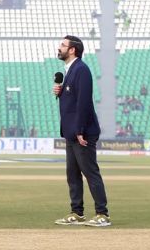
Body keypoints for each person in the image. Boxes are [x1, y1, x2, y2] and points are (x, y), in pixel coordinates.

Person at [53, 35, 110, 227]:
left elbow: (84, 102)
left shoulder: (81, 70)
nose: (59, 47)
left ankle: (102, 214)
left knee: (90, 173)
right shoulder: (69, 70)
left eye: (63, 45)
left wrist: (80, 130)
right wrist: (61, 93)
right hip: (71, 132)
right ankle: (77, 212)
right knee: (73, 174)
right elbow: (73, 97)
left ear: (72, 50)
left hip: (82, 132)